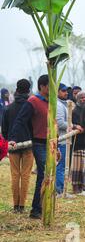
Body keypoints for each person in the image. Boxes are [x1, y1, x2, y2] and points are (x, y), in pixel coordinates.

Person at [8, 75, 49, 219]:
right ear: (42, 86)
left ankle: (27, 207)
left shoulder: (51, 103)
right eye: (50, 86)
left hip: (44, 143)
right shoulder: (33, 102)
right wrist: (13, 138)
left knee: (40, 176)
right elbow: (20, 121)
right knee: (35, 175)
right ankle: (33, 209)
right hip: (35, 143)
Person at [1, 79, 33, 213]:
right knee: (25, 175)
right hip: (28, 145)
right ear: (29, 90)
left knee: (15, 175)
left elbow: (4, 130)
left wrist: (10, 140)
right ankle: (22, 205)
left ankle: (15, 206)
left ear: (17, 89)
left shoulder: (9, 108)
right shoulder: (31, 106)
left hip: (13, 145)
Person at [70, 92, 85, 194]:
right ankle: (75, 186)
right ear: (77, 99)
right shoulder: (74, 111)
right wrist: (77, 126)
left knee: (83, 166)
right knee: (76, 166)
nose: (84, 99)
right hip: (77, 142)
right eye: (82, 98)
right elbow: (74, 124)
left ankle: (82, 186)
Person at [56, 83, 69, 196]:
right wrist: (73, 125)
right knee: (60, 166)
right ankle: (59, 190)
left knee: (61, 166)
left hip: (63, 139)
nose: (66, 93)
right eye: (63, 91)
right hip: (61, 140)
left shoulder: (62, 104)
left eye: (66, 91)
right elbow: (60, 123)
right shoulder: (58, 105)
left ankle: (60, 189)